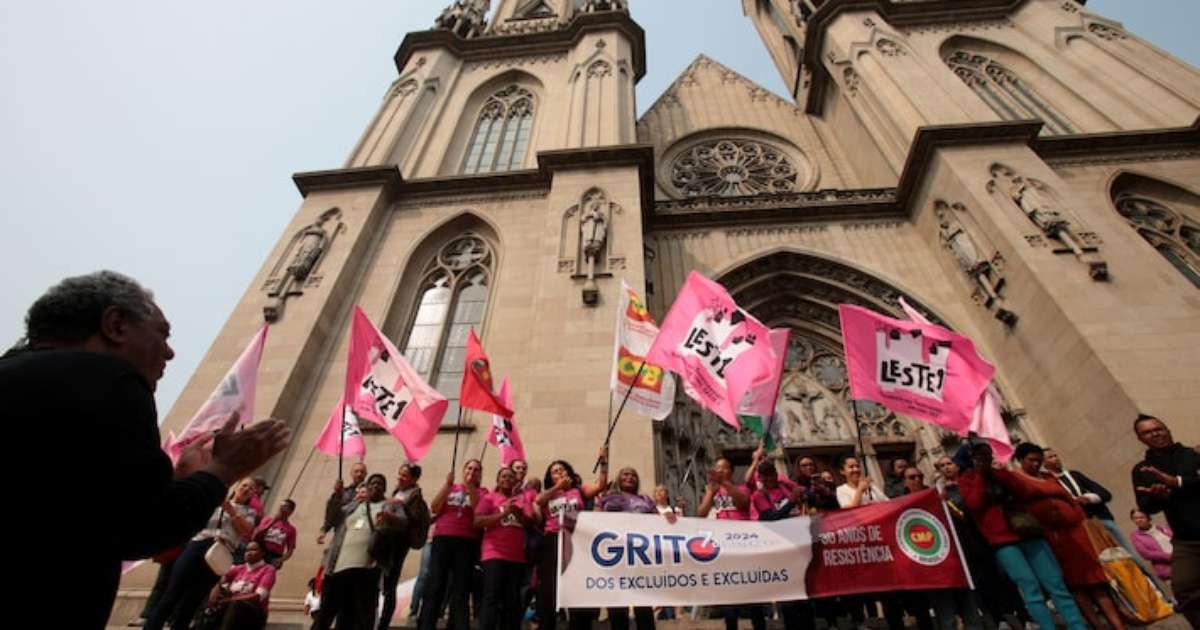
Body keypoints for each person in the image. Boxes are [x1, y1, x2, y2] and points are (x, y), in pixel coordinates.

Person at [0, 271, 290, 629]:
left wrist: (176, 482)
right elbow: (141, 527)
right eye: (162, 334)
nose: (170, 352)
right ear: (116, 325)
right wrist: (222, 470)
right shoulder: (110, 381)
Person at [958, 442, 1088, 630]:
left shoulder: (1001, 474)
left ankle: (1077, 626)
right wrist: (980, 474)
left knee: (1056, 584)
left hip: (1028, 532)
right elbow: (975, 504)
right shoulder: (967, 479)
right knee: (1030, 588)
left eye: (987, 454)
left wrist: (1001, 472)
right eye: (979, 456)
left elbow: (1024, 491)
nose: (984, 458)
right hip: (1003, 542)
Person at [1010, 443, 1125, 630]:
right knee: (1076, 585)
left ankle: (1118, 625)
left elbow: (1068, 498)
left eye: (1039, 460)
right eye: (1031, 460)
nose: (1036, 464)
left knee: (1096, 581)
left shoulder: (1049, 477)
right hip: (1055, 538)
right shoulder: (1017, 479)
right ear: (1020, 460)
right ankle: (1095, 625)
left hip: (1077, 533)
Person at [144, 478, 264, 630]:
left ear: (253, 494)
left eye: (251, 489)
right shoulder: (215, 502)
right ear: (237, 486)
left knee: (193, 600)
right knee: (172, 592)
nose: (246, 489)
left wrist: (232, 512)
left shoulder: (250, 512)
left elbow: (245, 530)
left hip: (221, 552)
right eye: (244, 485)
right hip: (199, 544)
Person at [935, 455, 1025, 630]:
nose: (946, 468)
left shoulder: (970, 482)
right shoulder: (942, 492)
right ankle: (998, 618)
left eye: (949, 463)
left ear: (957, 465)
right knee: (981, 581)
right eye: (942, 466)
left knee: (1004, 577)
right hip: (966, 543)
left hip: (988, 535)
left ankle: (1021, 615)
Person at [1131, 414, 1199, 626]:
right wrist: (1158, 497)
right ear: (1140, 439)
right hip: (1186, 540)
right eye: (1147, 432)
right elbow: (1146, 506)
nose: (1155, 434)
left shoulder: (1193, 455)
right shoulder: (1142, 470)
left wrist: (1177, 483)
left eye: (1158, 429)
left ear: (1167, 430)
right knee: (1185, 589)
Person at [313, 473, 397, 630]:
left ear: (385, 488)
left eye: (380, 483)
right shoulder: (353, 506)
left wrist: (390, 517)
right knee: (325, 614)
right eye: (372, 483)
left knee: (359, 617)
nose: (375, 486)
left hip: (367, 571)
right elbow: (332, 517)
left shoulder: (389, 506)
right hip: (338, 568)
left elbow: (402, 522)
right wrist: (337, 496)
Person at [535, 451, 609, 630]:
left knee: (577, 587)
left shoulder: (579, 491)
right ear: (550, 477)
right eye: (555, 471)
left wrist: (603, 463)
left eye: (562, 469)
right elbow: (538, 500)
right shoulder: (549, 494)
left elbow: (601, 485)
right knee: (549, 591)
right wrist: (557, 487)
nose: (559, 472)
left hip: (576, 541)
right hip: (553, 540)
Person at [902, 466, 981, 630]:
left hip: (955, 559)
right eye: (912, 477)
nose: (917, 479)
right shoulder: (902, 504)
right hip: (932, 565)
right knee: (946, 616)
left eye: (919, 475)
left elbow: (960, 517)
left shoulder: (937, 496)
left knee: (970, 611)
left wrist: (945, 502)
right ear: (904, 482)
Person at [697, 457, 764, 630]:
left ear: (731, 472)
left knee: (753, 595)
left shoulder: (741, 488)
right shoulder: (715, 492)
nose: (720, 472)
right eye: (717, 469)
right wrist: (710, 493)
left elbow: (743, 502)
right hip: (724, 550)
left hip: (743, 547)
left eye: (724, 469)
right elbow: (700, 514)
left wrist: (724, 484)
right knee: (729, 596)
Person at [419, 459, 485, 630]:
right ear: (463, 470)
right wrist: (447, 486)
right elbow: (435, 507)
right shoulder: (452, 488)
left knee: (461, 589)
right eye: (469, 468)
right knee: (435, 585)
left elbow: (478, 509)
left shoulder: (483, 491)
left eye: (476, 469)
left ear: (480, 474)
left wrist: (471, 487)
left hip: (467, 541)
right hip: (443, 538)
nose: (472, 471)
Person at [475, 466, 537, 630]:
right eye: (503, 476)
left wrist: (519, 514)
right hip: (494, 554)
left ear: (516, 481)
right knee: (492, 596)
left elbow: (530, 523)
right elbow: (478, 522)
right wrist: (503, 514)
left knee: (512, 600)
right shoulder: (489, 498)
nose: (507, 479)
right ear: (498, 480)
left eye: (510, 477)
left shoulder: (521, 500)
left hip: (516, 557)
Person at [596, 467, 657, 630]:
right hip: (616, 557)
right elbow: (594, 519)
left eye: (634, 475)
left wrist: (670, 518)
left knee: (644, 607)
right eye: (626, 474)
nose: (630, 477)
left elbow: (658, 522)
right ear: (618, 477)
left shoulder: (646, 499)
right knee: (617, 608)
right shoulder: (607, 497)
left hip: (640, 557)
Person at [377, 463, 428, 630]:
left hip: (397, 546)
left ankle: (384, 623)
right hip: (383, 541)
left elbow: (411, 521)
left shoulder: (416, 499)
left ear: (414, 479)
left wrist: (398, 506)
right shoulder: (396, 492)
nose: (400, 478)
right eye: (399, 474)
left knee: (390, 585)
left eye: (404, 476)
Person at [199, 541, 276, 630]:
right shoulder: (238, 568)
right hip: (230, 607)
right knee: (209, 596)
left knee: (235, 605)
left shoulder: (268, 570)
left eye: (253, 550)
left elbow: (258, 596)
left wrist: (229, 600)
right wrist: (216, 590)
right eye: (247, 551)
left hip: (254, 613)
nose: (248, 553)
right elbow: (222, 581)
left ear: (263, 553)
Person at [319, 462, 368, 544]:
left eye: (362, 472)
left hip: (358, 532)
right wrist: (324, 531)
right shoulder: (343, 492)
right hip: (340, 531)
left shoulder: (370, 491)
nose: (359, 474)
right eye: (356, 471)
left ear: (366, 474)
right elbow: (332, 512)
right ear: (351, 473)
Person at [1130, 510, 1175, 594]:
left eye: (1141, 517)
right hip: (1167, 568)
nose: (1138, 520)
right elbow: (1146, 554)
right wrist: (1170, 556)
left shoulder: (1162, 528)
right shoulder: (1136, 536)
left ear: (1148, 518)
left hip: (1181, 560)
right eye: (1135, 518)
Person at [252, 499, 297, 570]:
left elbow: (290, 551)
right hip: (260, 551)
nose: (281, 508)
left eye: (285, 506)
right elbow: (256, 536)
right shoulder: (267, 520)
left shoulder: (291, 529)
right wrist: (272, 522)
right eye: (281, 506)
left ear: (291, 511)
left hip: (274, 557)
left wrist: (281, 560)